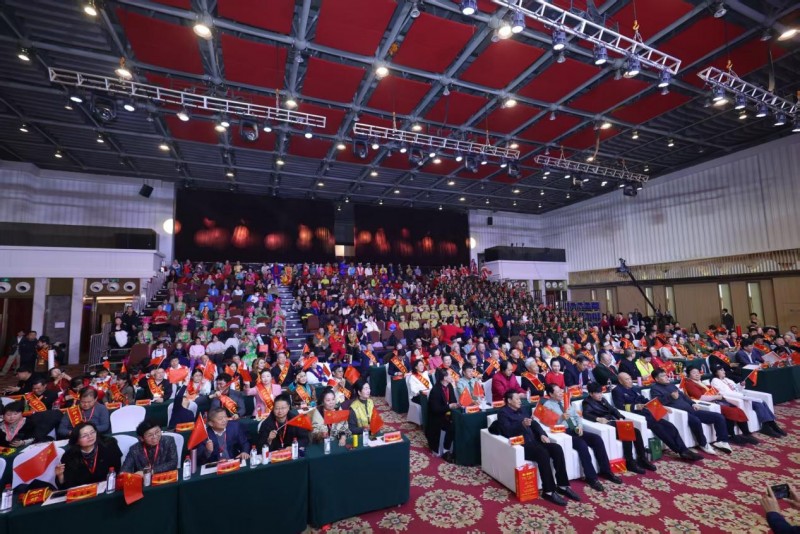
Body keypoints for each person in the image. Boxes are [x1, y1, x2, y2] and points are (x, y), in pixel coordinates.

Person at [496, 390, 578, 506]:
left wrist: (542, 434)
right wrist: (521, 425)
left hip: (534, 441)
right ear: (509, 401)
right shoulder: (503, 413)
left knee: (557, 448)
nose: (520, 401)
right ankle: (548, 491)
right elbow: (507, 431)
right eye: (517, 399)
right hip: (522, 445)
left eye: (520, 399)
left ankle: (563, 485)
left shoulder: (522, 410)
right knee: (542, 453)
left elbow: (534, 423)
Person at [543, 384, 621, 491]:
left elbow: (577, 416)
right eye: (558, 392)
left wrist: (580, 426)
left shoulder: (565, 401)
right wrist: (561, 418)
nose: (561, 393)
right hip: (564, 432)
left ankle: (606, 471)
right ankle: (592, 478)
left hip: (576, 429)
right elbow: (549, 424)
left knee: (597, 439)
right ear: (551, 394)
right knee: (582, 445)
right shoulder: (547, 406)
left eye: (561, 390)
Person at [611, 372, 701, 461]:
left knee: (670, 426)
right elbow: (619, 407)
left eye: (630, 378)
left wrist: (661, 407)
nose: (630, 381)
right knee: (660, 428)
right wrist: (635, 406)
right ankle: (680, 451)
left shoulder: (634, 388)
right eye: (627, 379)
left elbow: (645, 400)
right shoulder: (617, 391)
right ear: (620, 381)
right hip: (636, 415)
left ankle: (684, 450)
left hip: (647, 412)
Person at [649, 369, 732, 455]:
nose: (666, 377)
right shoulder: (654, 389)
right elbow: (658, 404)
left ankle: (722, 441)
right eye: (662, 376)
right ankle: (703, 444)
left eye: (666, 375)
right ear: (657, 379)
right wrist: (670, 397)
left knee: (719, 417)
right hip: (682, 414)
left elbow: (684, 396)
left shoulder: (671, 385)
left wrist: (692, 403)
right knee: (696, 421)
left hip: (691, 410)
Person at [582, 382, 656, 474]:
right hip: (607, 424)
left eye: (601, 392)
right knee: (627, 432)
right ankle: (629, 462)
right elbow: (586, 414)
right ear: (591, 394)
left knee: (636, 431)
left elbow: (613, 409)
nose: (600, 395)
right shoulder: (587, 402)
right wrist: (598, 419)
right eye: (597, 393)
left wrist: (620, 417)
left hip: (614, 421)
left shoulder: (603, 399)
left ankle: (642, 459)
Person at [683, 367, 758, 445]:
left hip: (716, 401)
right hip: (708, 404)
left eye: (698, 372)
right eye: (694, 373)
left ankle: (746, 433)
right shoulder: (689, 384)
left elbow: (713, 391)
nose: (697, 374)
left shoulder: (701, 383)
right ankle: (731, 435)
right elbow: (700, 398)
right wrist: (716, 397)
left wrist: (717, 394)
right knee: (731, 411)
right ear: (688, 375)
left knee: (738, 410)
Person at [710, 367, 786, 437]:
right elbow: (724, 393)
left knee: (762, 402)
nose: (724, 371)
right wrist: (741, 395)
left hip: (741, 396)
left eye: (723, 370)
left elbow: (736, 389)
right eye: (721, 370)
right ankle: (768, 426)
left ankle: (771, 424)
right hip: (735, 399)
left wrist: (740, 385)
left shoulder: (727, 379)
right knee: (758, 403)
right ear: (716, 372)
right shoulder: (715, 381)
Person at [55, 422, 122, 489]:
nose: (90, 436)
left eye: (92, 432)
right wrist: (60, 475)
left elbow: (117, 469)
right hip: (84, 492)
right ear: (77, 441)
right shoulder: (69, 456)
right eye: (84, 436)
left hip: (109, 487)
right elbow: (67, 486)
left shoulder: (109, 445)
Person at [425, 368, 456, 459]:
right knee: (451, 426)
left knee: (458, 422)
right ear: (444, 378)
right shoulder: (435, 390)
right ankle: (445, 450)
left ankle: (451, 448)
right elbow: (435, 409)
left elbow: (453, 400)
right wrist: (449, 407)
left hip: (448, 413)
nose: (452, 377)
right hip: (437, 417)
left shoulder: (449, 386)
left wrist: (454, 405)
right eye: (450, 375)